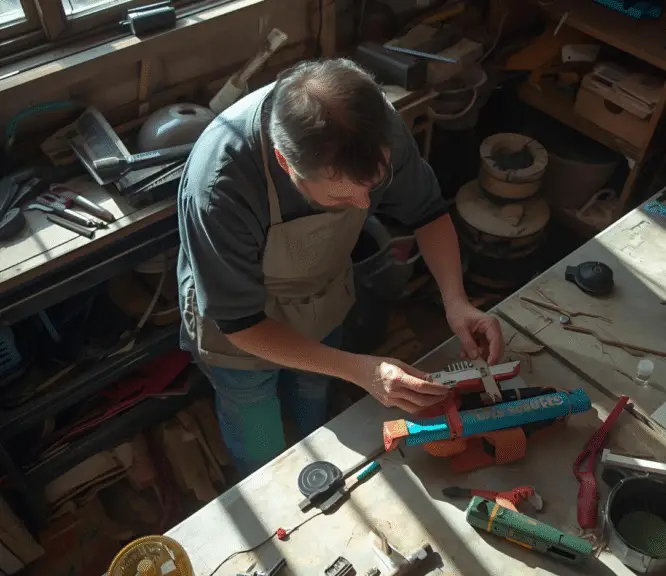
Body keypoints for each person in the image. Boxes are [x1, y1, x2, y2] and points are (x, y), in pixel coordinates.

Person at [177, 57, 504, 476]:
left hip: (321, 294)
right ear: (284, 162)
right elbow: (241, 323)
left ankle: (317, 461)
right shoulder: (220, 186)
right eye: (340, 198)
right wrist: (361, 369)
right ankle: (269, 497)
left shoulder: (372, 127)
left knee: (314, 391)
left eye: (370, 187)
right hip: (240, 332)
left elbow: (427, 213)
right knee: (256, 427)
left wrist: (456, 301)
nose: (365, 207)